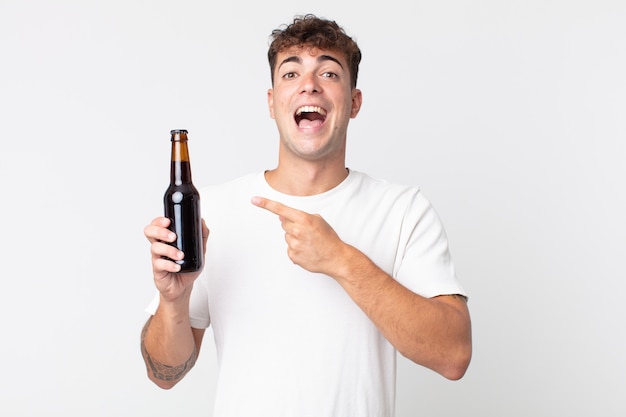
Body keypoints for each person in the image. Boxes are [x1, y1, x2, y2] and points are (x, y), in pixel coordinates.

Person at [141, 13, 472, 417]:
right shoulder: (211, 212)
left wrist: (341, 260)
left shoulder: (403, 210)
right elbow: (164, 373)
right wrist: (173, 301)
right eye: (291, 73)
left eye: (329, 73)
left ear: (354, 103)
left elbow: (454, 355)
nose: (309, 85)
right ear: (271, 102)